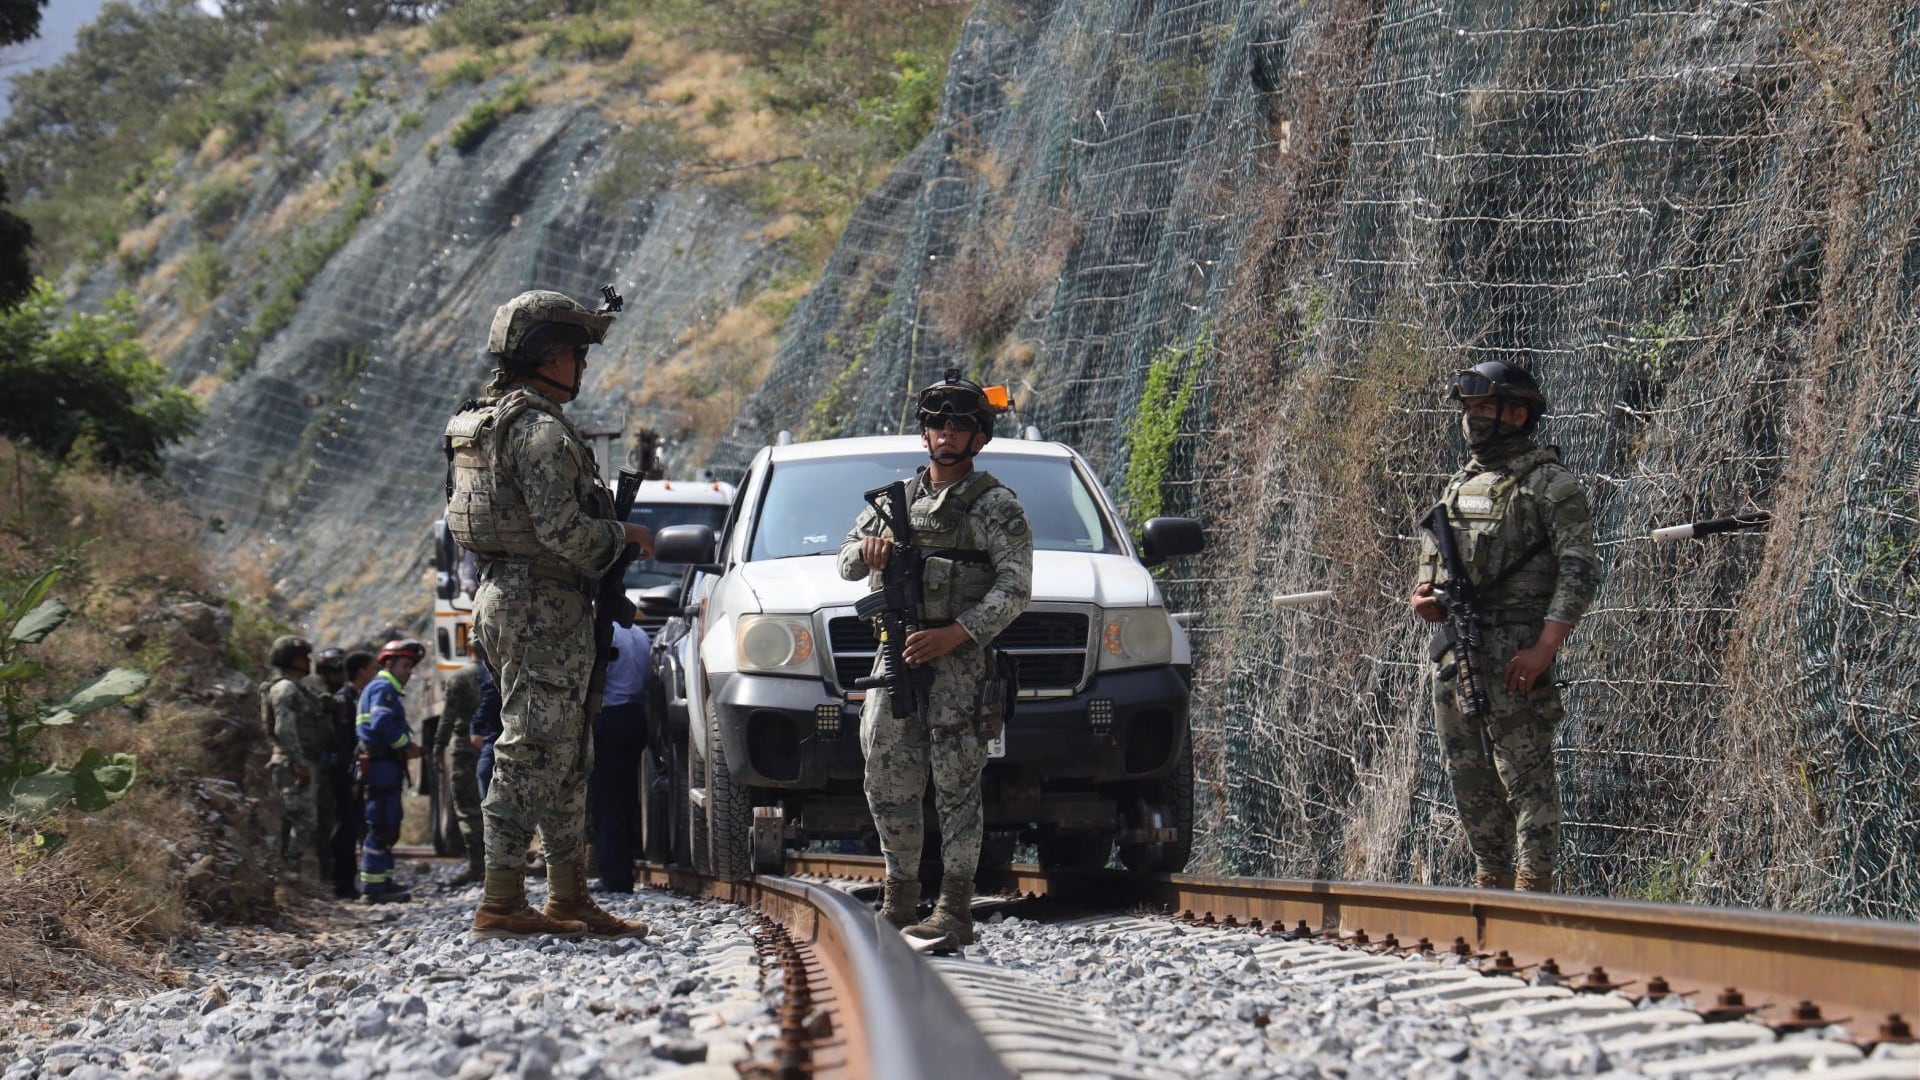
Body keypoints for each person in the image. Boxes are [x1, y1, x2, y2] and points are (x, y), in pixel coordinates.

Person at [444, 288, 653, 940]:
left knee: (567, 752)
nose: (582, 367)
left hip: (519, 599)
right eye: (575, 354)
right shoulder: (537, 432)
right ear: (545, 355)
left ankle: (568, 895)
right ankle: (501, 900)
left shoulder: (490, 420)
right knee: (531, 749)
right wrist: (624, 537)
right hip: (540, 606)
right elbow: (565, 533)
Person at [837, 368, 1032, 950]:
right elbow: (845, 563)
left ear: (979, 437)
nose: (946, 432)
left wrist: (956, 635)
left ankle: (953, 909)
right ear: (924, 434)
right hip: (896, 657)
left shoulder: (996, 506)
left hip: (960, 669)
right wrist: (868, 550)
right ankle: (899, 899)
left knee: (957, 788)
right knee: (886, 779)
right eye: (937, 423)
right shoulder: (895, 501)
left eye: (959, 424)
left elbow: (1015, 588)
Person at [1411, 362, 1600, 893]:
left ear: (1518, 414)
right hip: (1457, 653)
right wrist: (1424, 597)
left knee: (1526, 777)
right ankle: (1491, 885)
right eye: (1469, 409)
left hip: (1516, 656)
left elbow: (1580, 569)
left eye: (1484, 408)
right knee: (1468, 776)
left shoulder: (1550, 484)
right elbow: (1433, 564)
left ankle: (1532, 890)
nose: (1472, 418)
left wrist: (1545, 647)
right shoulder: (1459, 485)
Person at [356, 638, 427, 903]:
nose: (409, 672)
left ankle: (383, 882)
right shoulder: (383, 688)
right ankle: (373, 889)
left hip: (384, 764)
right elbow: (381, 723)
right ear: (390, 664)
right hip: (381, 764)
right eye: (405, 666)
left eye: (411, 667)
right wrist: (406, 745)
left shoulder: (382, 688)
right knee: (381, 823)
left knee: (388, 824)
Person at [260, 636, 329, 884]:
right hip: (292, 764)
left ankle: (289, 875)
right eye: (303, 657)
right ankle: (287, 875)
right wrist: (298, 763)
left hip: (299, 761)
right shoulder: (285, 689)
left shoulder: (297, 688)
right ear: (291, 660)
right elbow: (284, 729)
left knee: (299, 820)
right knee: (302, 821)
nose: (309, 662)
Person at [588, 620, 650, 892]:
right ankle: (623, 868)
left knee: (607, 801)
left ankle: (614, 875)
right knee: (625, 797)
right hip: (635, 715)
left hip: (609, 717)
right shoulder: (639, 634)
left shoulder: (602, 633)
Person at [434, 641, 491, 887]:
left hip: (464, 750)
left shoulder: (460, 678)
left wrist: (438, 748)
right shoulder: (498, 675)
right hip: (493, 745)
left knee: (468, 809)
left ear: (469, 650)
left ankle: (477, 866)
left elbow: (447, 717)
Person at [302, 648, 350, 891]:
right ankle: (319, 878)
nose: (345, 676)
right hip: (314, 767)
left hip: (326, 766)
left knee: (329, 822)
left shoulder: (327, 691)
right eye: (341, 671)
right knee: (320, 823)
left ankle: (327, 877)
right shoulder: (315, 690)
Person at [329, 650, 375, 898]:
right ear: (361, 671)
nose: (375, 673)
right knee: (345, 827)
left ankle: (349, 882)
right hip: (345, 774)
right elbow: (344, 743)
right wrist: (352, 777)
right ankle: (342, 884)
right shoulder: (344, 700)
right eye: (372, 668)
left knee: (353, 825)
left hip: (352, 772)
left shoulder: (355, 697)